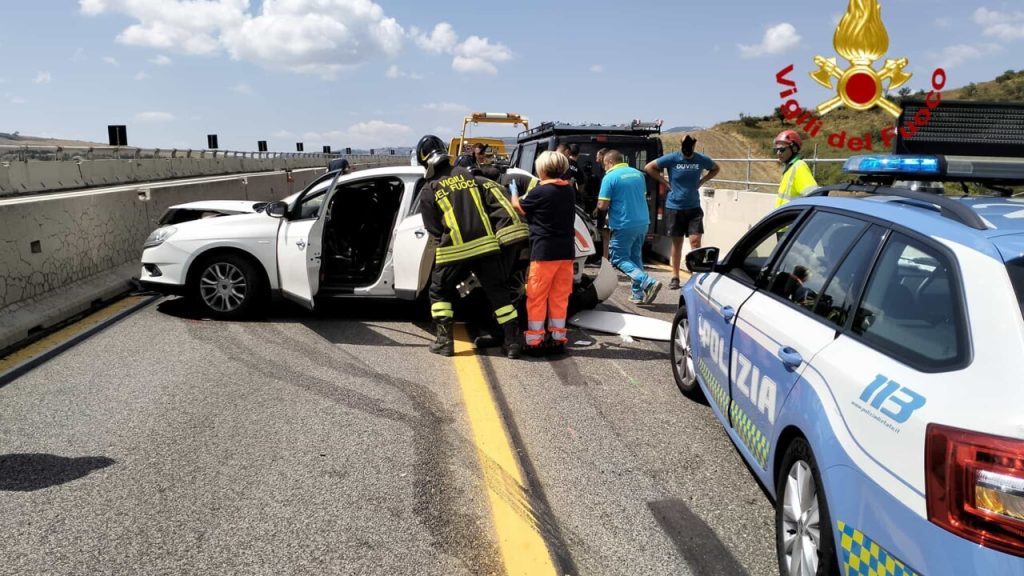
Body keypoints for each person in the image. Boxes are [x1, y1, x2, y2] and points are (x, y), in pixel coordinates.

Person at [415, 135, 522, 359]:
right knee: (498, 293)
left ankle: (444, 342)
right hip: (485, 245)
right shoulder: (467, 175)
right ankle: (512, 343)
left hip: (453, 249)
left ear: (424, 161)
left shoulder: (430, 187)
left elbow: (432, 227)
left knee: (439, 291)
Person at [512, 151, 576, 353]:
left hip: (544, 252)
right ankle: (558, 337)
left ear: (541, 169)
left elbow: (519, 208)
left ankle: (534, 340)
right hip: (566, 252)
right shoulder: (569, 190)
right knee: (560, 295)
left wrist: (513, 192)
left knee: (537, 295)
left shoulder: (540, 192)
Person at [644, 135, 719, 290]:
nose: (686, 151)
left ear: (694, 145)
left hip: (693, 207)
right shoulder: (672, 158)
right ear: (681, 145)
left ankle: (697, 274)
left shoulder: (700, 159)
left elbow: (715, 168)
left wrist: (702, 181)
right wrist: (664, 182)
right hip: (675, 206)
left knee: (695, 241)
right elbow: (649, 167)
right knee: (677, 243)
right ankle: (675, 276)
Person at [597, 149, 662, 305]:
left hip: (623, 223)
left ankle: (648, 282)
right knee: (635, 258)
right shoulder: (638, 174)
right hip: (642, 222)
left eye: (604, 164)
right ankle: (637, 294)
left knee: (618, 258)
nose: (604, 167)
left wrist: (600, 222)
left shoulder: (610, 177)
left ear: (610, 162)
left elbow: (602, 204)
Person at [774, 130, 818, 207]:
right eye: (776, 150)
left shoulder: (799, 166)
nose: (778, 153)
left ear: (794, 148)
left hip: (792, 218)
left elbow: (814, 197)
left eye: (782, 149)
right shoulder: (789, 168)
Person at [591, 148, 611, 260]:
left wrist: (599, 207)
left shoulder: (608, 174)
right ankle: (605, 256)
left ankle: (606, 257)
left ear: (603, 156)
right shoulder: (604, 172)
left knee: (606, 233)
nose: (596, 159)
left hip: (606, 207)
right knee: (604, 233)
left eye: (598, 156)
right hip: (603, 206)